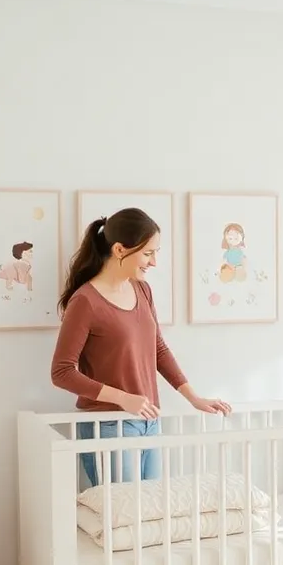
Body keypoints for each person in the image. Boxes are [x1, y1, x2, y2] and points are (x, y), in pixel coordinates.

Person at [51, 207, 231, 489]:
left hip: (149, 420)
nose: (154, 262)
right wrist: (123, 398)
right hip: (108, 425)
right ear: (120, 249)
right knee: (122, 517)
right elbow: (61, 372)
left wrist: (193, 397)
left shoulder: (142, 290)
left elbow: (158, 348)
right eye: (148, 253)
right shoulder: (85, 301)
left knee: (147, 516)